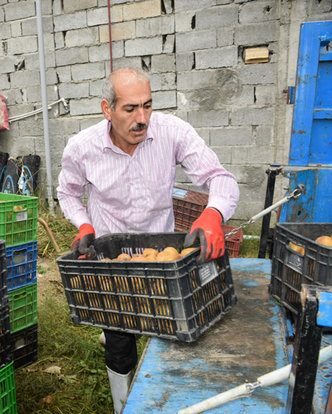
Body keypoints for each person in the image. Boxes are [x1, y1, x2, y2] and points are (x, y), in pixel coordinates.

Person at [56, 67, 239, 414]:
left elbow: (221, 178)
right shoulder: (82, 147)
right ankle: (123, 403)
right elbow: (67, 192)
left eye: (148, 106)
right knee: (120, 339)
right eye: (130, 109)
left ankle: (162, 398)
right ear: (107, 110)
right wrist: (82, 225)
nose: (142, 119)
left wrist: (214, 213)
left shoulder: (172, 132)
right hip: (113, 260)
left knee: (167, 330)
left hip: (162, 258)